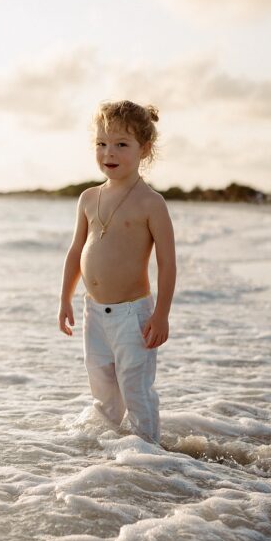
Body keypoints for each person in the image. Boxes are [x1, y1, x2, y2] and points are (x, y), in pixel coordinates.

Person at [58, 100, 176, 444]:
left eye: (121, 144)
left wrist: (162, 314)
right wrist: (64, 299)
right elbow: (75, 251)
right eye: (101, 144)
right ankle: (109, 459)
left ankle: (149, 456)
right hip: (93, 312)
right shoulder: (88, 198)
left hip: (133, 315)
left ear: (145, 149)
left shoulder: (151, 203)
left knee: (135, 388)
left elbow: (167, 263)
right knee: (103, 389)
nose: (109, 152)